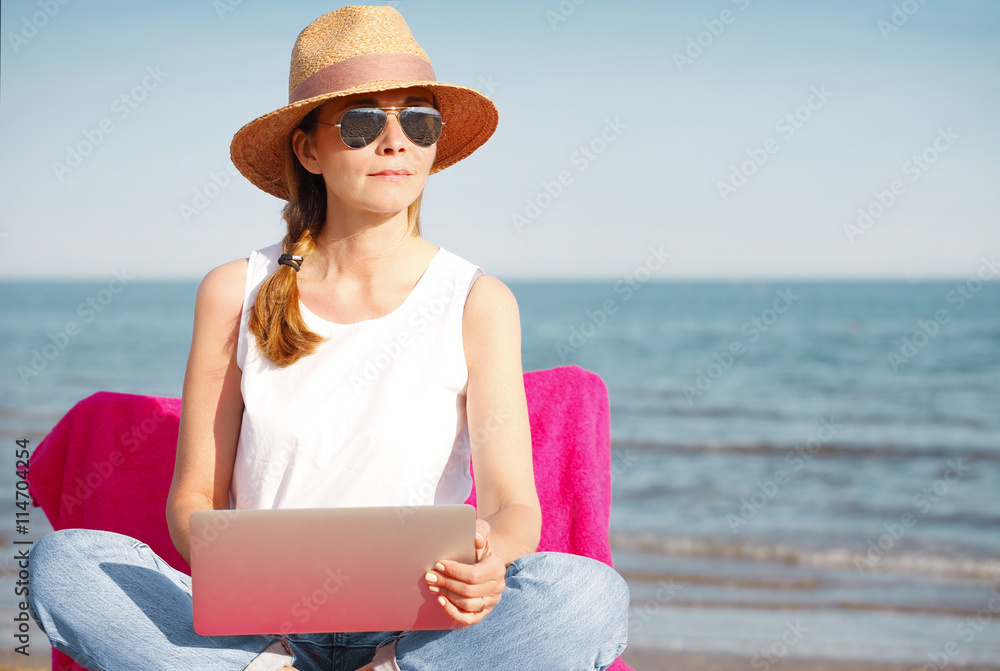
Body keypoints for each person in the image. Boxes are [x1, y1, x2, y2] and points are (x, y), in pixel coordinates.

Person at [26, 6, 629, 670]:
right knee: (65, 564)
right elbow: (193, 499)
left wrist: (488, 557)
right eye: (363, 121)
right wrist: (240, 568)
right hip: (259, 632)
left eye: (418, 120)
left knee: (588, 596)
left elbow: (516, 507)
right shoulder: (234, 291)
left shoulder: (478, 301)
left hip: (420, 630)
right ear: (307, 148)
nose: (395, 141)